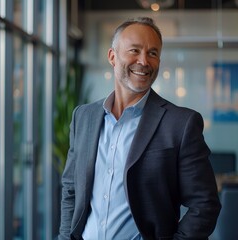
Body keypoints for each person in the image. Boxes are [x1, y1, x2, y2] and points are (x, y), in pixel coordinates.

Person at [58, 17, 221, 240]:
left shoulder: (181, 124)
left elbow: (205, 204)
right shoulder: (83, 117)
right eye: (134, 50)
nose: (144, 61)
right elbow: (71, 188)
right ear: (112, 57)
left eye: (153, 53)